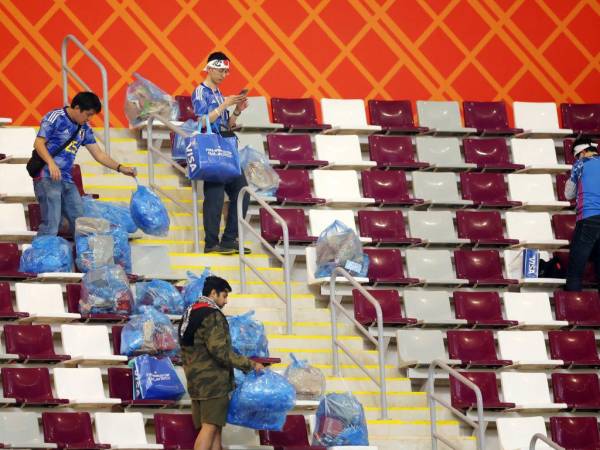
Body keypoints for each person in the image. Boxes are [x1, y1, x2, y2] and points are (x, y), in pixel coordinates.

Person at [178, 275, 264, 450]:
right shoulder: (212, 314)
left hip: (195, 381)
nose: (225, 302)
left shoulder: (190, 312)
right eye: (224, 296)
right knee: (209, 428)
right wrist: (251, 364)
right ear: (213, 293)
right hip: (213, 384)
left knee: (214, 428)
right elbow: (221, 352)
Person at [32, 91, 136, 235]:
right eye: (88, 114)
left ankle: (84, 256)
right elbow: (38, 143)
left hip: (66, 179)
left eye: (92, 115)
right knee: (52, 223)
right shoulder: (55, 117)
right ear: (77, 108)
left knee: (80, 222)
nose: (89, 118)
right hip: (47, 176)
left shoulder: (84, 128)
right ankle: (42, 256)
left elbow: (98, 154)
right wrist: (51, 162)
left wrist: (121, 168)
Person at [192, 51, 250, 254]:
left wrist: (237, 111)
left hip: (226, 146)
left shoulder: (219, 94)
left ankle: (229, 239)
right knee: (215, 196)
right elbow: (201, 122)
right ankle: (211, 243)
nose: (224, 74)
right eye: (221, 70)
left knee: (243, 192)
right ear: (210, 68)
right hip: (211, 148)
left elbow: (226, 124)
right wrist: (225, 105)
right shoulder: (201, 92)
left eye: (227, 71)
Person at [564, 137, 600, 291]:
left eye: (578, 155)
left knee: (575, 270)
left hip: (588, 217)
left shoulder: (580, 164)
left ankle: (572, 313)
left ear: (583, 152)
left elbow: (569, 194)